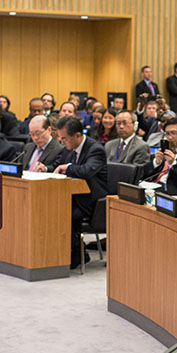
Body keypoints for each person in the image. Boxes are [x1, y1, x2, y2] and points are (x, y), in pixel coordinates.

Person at [52, 115, 108, 268]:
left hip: (92, 202)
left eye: (64, 139)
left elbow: (86, 171)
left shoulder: (96, 149)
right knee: (51, 208)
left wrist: (68, 167)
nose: (62, 142)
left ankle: (77, 253)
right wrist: (47, 168)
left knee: (66, 214)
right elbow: (58, 165)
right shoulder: (69, 148)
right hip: (72, 196)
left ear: (77, 135)